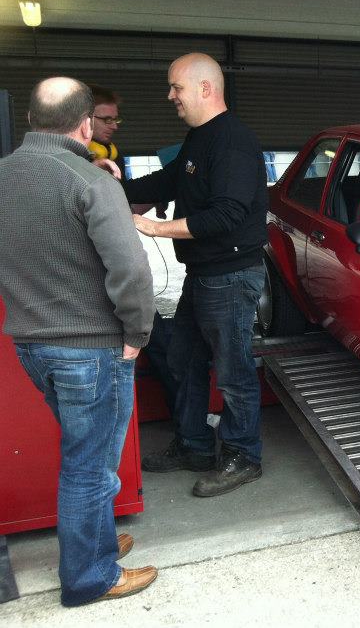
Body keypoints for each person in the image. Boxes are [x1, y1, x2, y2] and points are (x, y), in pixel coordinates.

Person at [0, 77, 157, 605]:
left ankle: (97, 542)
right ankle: (90, 576)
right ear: (87, 125)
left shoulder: (4, 175)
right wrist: (137, 333)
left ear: (30, 120)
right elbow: (130, 270)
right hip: (90, 348)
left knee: (87, 455)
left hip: (30, 344)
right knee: (90, 466)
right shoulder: (92, 182)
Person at [121, 53, 268, 498]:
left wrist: (154, 227)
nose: (170, 96)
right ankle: (194, 445)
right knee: (184, 360)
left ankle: (243, 456)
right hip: (202, 274)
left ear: (205, 88)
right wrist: (107, 187)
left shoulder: (233, 142)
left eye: (176, 87)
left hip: (230, 276)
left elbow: (226, 215)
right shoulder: (199, 138)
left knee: (233, 372)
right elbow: (167, 182)